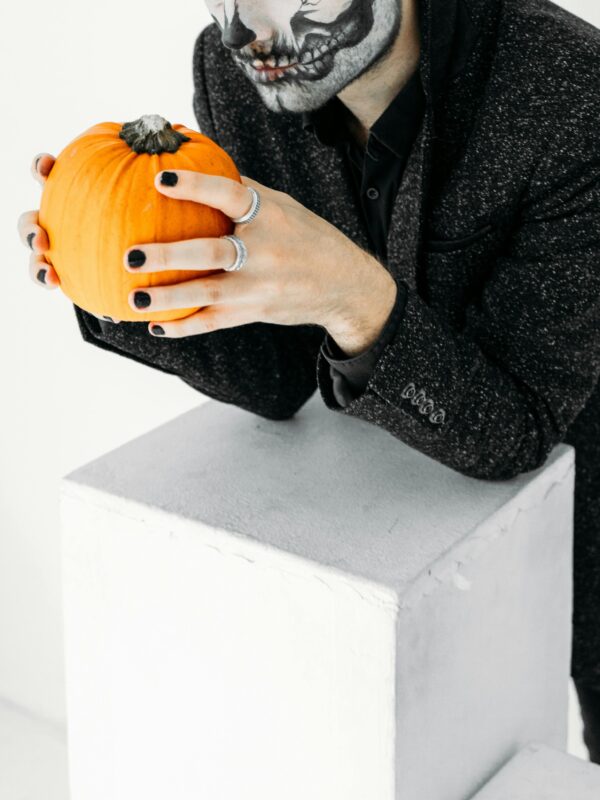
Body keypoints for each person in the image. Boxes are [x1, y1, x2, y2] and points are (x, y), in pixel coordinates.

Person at [17, 0, 600, 762]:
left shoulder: (571, 87)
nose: (245, 31)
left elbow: (517, 428)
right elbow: (280, 375)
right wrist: (122, 280)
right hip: (417, 549)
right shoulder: (231, 73)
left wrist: (354, 297)